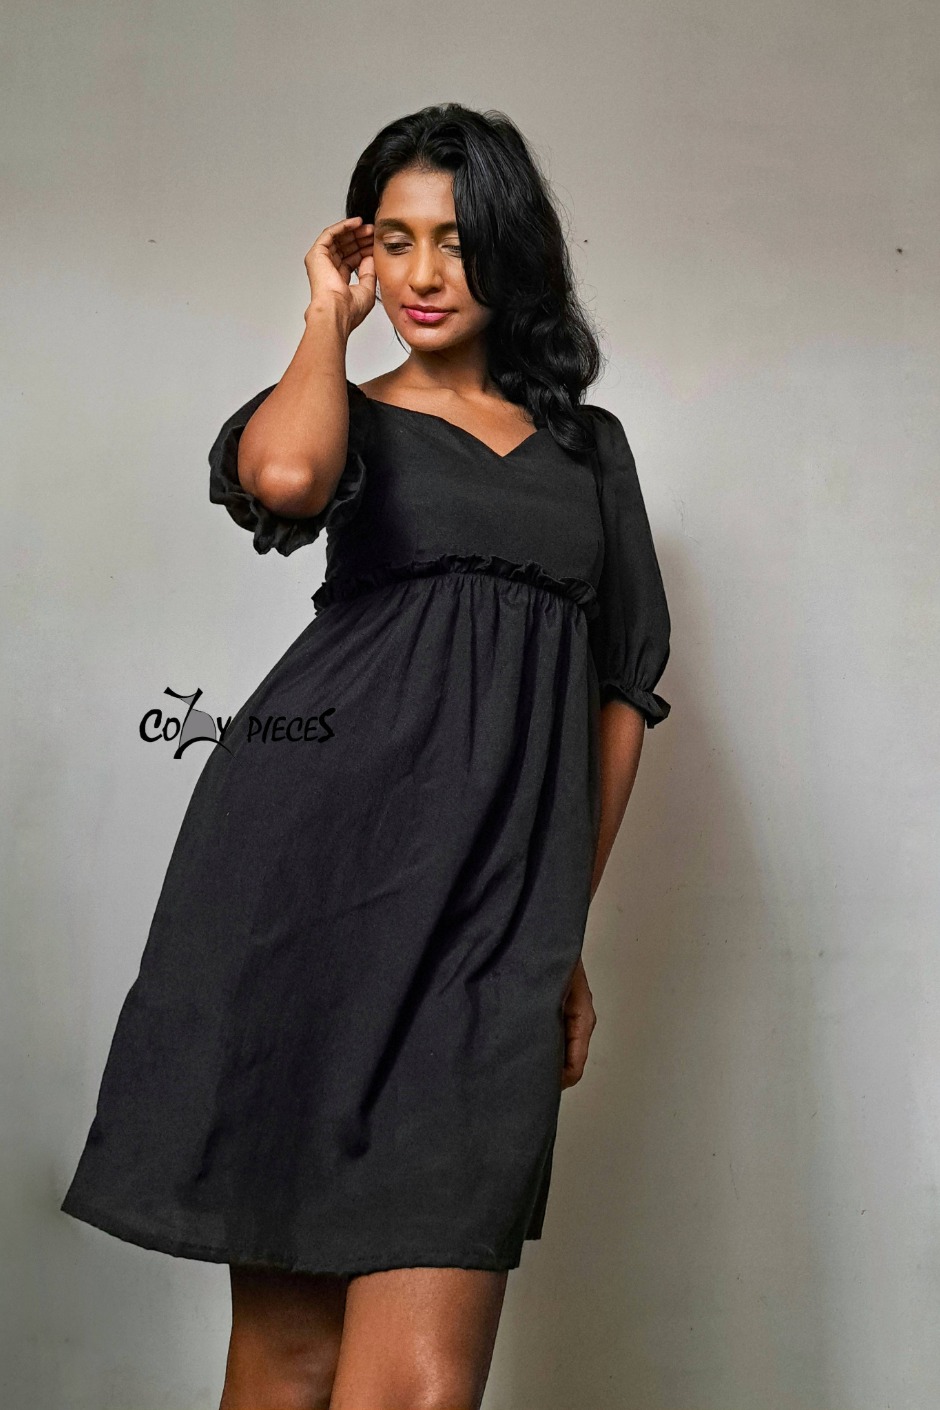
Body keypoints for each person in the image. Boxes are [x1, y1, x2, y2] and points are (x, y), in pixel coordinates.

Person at [61, 102, 672, 1409]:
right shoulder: (341, 410)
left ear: (511, 249)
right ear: (361, 254)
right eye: (393, 241)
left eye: (455, 239)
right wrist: (324, 324)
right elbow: (284, 479)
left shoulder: (590, 451)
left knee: (420, 1386)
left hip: (493, 921)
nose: (423, 272)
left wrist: (559, 932)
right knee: (290, 1358)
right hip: (308, 883)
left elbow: (620, 692)